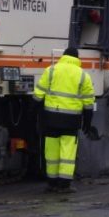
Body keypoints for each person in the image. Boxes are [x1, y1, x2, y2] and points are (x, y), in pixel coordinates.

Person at [33, 47, 96, 192]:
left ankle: (52, 183)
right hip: (71, 120)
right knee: (67, 151)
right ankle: (64, 185)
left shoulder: (51, 70)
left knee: (51, 151)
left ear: (63, 56)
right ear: (77, 58)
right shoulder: (83, 75)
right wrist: (87, 122)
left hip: (50, 119)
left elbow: (38, 95)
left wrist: (33, 114)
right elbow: (88, 102)